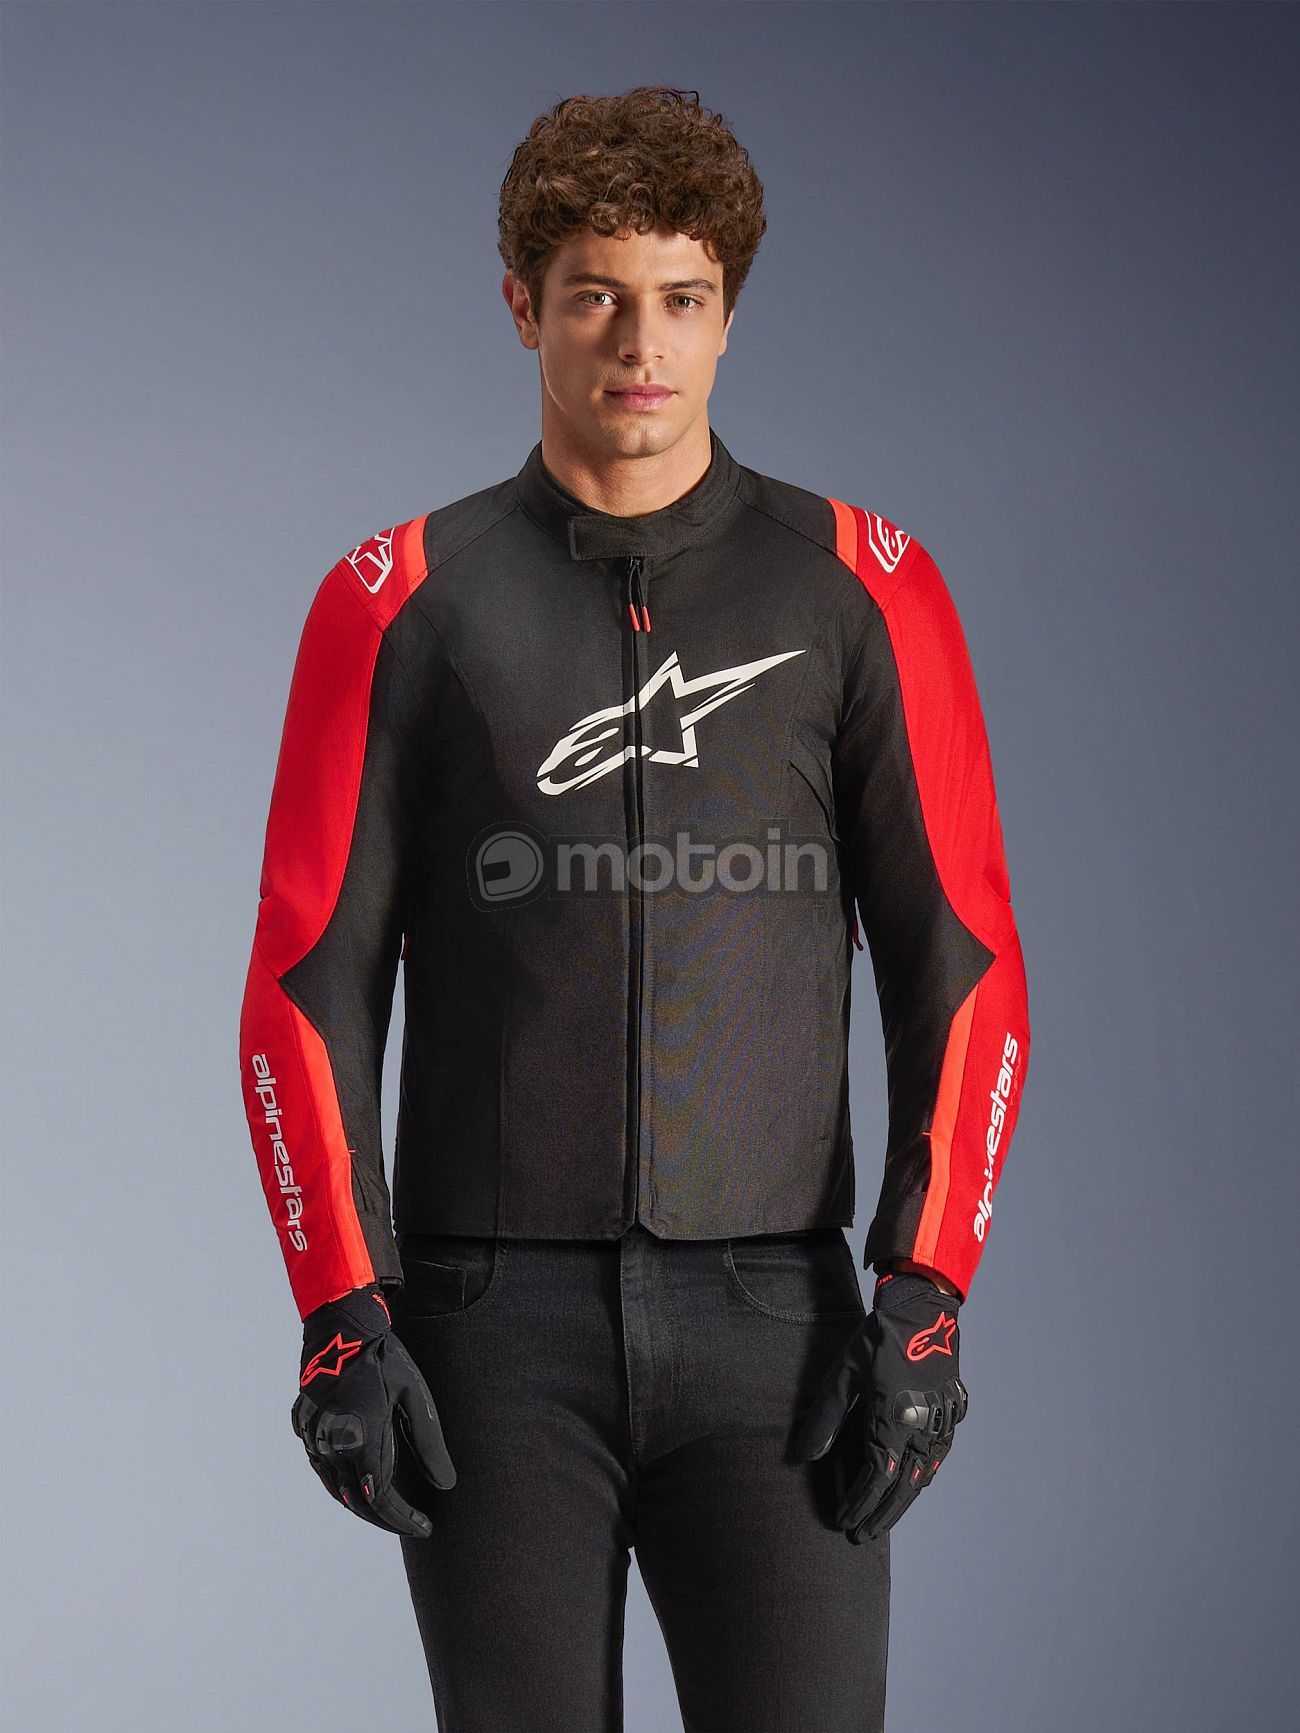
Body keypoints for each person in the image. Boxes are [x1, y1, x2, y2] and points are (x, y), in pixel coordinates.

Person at [238, 85, 1031, 1733]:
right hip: (489, 1335)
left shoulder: (863, 588)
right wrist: (339, 1310)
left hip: (780, 1331)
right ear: (523, 305)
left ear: (730, 315)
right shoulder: (396, 603)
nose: (641, 343)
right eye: (596, 294)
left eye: (683, 297)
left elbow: (962, 963)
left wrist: (926, 1288)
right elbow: (307, 980)